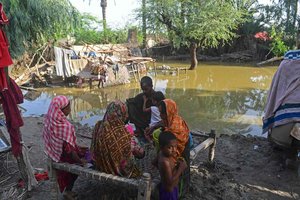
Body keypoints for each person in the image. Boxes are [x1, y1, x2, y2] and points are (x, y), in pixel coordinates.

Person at [43, 96, 87, 200]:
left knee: (83, 152)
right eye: (68, 108)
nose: (70, 110)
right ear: (61, 110)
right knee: (82, 160)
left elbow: (61, 143)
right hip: (63, 157)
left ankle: (68, 190)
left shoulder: (48, 120)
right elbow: (70, 152)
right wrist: (81, 161)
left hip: (53, 153)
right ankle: (68, 190)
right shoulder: (65, 127)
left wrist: (77, 148)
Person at [91, 100, 145, 178]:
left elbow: (93, 149)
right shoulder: (123, 134)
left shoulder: (98, 125)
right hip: (117, 171)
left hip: (100, 166)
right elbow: (127, 158)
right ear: (121, 113)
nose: (126, 115)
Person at [158, 99, 190, 197]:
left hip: (182, 156)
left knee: (177, 181)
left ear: (169, 112)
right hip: (170, 184)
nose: (160, 116)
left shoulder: (175, 128)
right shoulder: (174, 119)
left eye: (162, 113)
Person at [158, 131, 187, 200]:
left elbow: (154, 162)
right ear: (162, 147)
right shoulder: (165, 162)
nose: (174, 150)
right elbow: (170, 182)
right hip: (169, 193)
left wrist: (163, 172)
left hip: (170, 188)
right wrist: (180, 169)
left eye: (175, 146)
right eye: (170, 147)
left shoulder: (161, 153)